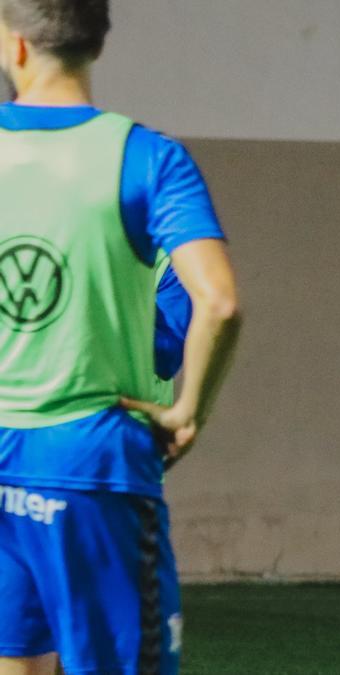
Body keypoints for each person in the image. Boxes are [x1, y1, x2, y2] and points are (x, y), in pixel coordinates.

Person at [0, 1, 242, 672]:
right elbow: (218, 301)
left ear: (15, 46)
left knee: (15, 660)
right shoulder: (147, 159)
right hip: (92, 462)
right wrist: (187, 410)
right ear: (96, 45)